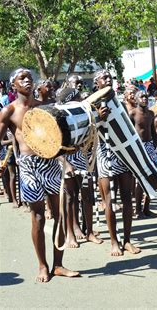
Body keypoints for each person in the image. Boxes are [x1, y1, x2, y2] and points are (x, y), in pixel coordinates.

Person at [0, 68, 79, 282]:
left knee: (59, 213)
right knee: (38, 217)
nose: (27, 80)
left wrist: (69, 152)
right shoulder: (9, 110)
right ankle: (43, 265)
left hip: (50, 163)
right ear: (13, 85)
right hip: (28, 167)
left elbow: (60, 137)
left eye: (29, 77)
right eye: (21, 78)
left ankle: (58, 265)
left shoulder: (45, 108)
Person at [94, 69, 141, 256]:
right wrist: (99, 118)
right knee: (109, 201)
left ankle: (127, 240)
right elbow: (90, 131)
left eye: (109, 77)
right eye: (103, 77)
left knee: (126, 199)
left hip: (123, 155)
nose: (108, 80)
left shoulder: (119, 103)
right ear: (96, 82)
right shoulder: (91, 104)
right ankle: (114, 241)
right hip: (105, 156)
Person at [56, 88, 102, 246]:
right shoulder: (58, 116)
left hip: (81, 157)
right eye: (76, 97)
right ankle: (70, 234)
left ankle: (89, 232)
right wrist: (66, 163)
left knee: (87, 195)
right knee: (70, 198)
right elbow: (53, 146)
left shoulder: (81, 114)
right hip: (65, 159)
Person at [129, 90, 157, 218]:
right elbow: (129, 133)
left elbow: (153, 132)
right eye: (141, 97)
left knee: (152, 178)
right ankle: (138, 209)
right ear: (136, 100)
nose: (144, 99)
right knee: (141, 178)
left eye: (146, 97)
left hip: (149, 146)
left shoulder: (151, 114)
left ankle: (147, 207)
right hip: (138, 147)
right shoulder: (132, 113)